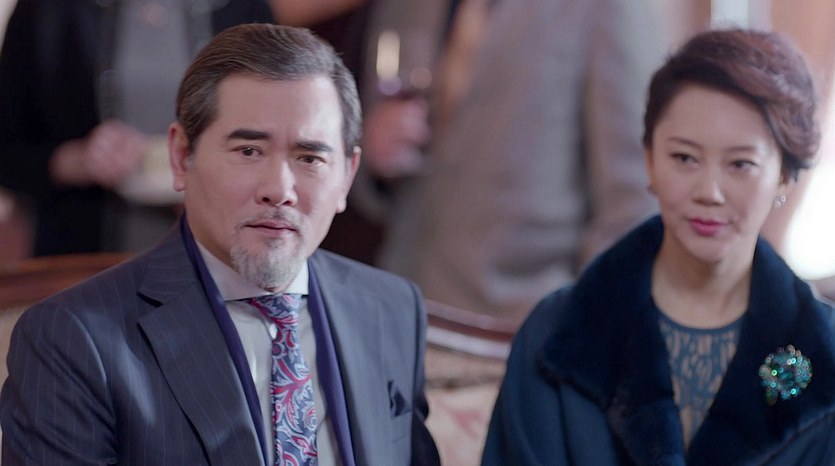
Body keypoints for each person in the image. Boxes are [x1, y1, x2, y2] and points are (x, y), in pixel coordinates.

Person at [0, 24, 439, 466]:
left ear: (346, 175)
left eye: (310, 158)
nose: (279, 189)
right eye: (249, 151)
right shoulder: (72, 339)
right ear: (181, 157)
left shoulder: (391, 310)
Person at [482, 29, 835, 465]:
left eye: (741, 164)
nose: (709, 192)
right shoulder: (555, 334)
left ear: (784, 176)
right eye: (685, 158)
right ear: (649, 160)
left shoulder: (825, 352)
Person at [373, 0, 663, 325]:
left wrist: (579, 326)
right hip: (400, 301)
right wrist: (375, 155)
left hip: (523, 323)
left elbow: (635, 199)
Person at [0, 0, 275, 256]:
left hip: (223, 260)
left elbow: (280, 137)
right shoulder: (47, 8)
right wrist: (74, 160)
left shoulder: (244, 7)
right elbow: (8, 154)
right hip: (81, 257)